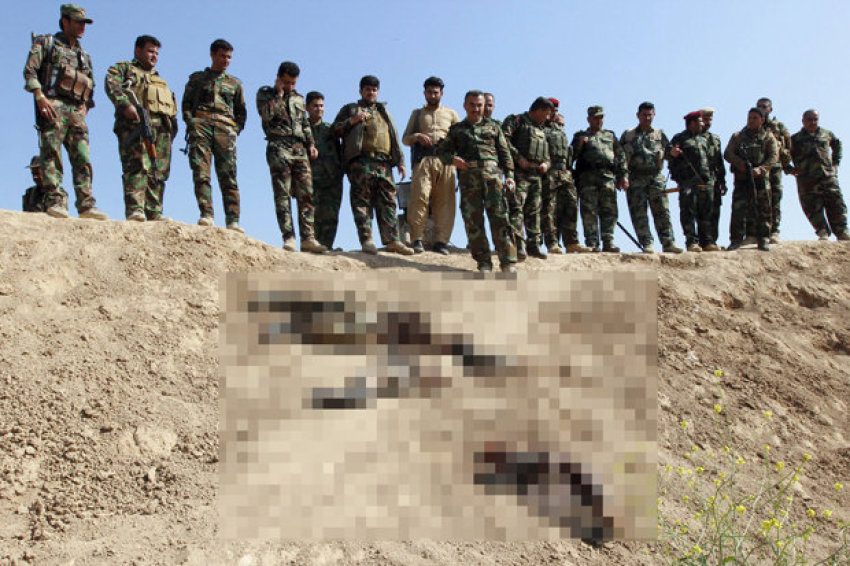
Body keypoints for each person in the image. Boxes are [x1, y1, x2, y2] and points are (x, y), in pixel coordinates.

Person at [23, 4, 107, 221]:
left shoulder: (83, 55)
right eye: (78, 22)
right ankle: (55, 200)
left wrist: (86, 106)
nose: (82, 27)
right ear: (65, 21)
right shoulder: (46, 43)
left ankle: (86, 204)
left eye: (84, 23)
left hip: (75, 110)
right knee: (51, 154)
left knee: (82, 157)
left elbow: (91, 85)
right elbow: (30, 71)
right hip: (53, 105)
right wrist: (40, 97)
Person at [331, 75, 413, 255]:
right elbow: (334, 130)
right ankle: (367, 239)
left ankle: (392, 240)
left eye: (374, 90)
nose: (371, 92)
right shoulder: (351, 109)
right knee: (362, 201)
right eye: (367, 89)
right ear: (361, 91)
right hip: (361, 162)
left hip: (384, 163)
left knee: (388, 201)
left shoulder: (384, 112)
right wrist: (352, 121)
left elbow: (393, 136)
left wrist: (400, 161)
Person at [438, 90, 517, 272]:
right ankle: (483, 262)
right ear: (465, 106)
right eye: (472, 105)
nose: (476, 109)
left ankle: (508, 262)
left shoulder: (494, 127)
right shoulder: (457, 130)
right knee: (473, 222)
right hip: (469, 179)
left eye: (479, 105)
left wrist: (510, 176)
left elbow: (505, 154)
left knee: (500, 219)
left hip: (493, 178)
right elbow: (442, 152)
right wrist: (453, 160)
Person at [104, 35, 177, 222]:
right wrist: (124, 105)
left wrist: (171, 130)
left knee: (158, 170)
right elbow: (111, 84)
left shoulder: (159, 80)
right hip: (134, 126)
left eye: (156, 53)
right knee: (136, 166)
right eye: (150, 51)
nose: (154, 56)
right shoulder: (125, 69)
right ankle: (135, 209)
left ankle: (154, 211)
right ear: (138, 50)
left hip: (161, 131)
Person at [256, 62, 327, 253]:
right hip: (278, 146)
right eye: (286, 82)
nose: (290, 86)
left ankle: (308, 238)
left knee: (306, 194)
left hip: (299, 149)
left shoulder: (298, 99)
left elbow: (304, 124)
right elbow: (266, 115)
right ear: (279, 78)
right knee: (283, 194)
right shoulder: (265, 94)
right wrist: (279, 95)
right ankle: (288, 237)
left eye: (293, 83)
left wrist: (311, 144)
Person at [182, 38, 247, 232]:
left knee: (229, 175)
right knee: (201, 171)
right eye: (222, 56)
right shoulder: (197, 79)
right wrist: (192, 123)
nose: (226, 60)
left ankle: (233, 220)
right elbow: (186, 104)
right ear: (212, 54)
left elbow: (241, 112)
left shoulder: (235, 84)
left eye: (229, 57)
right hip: (201, 125)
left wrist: (234, 130)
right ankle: (207, 213)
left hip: (225, 129)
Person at [402, 76, 460, 255]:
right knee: (419, 198)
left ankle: (441, 242)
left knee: (445, 202)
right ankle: (417, 238)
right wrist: (417, 136)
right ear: (424, 93)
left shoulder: (451, 114)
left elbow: (461, 138)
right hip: (423, 160)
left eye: (436, 92)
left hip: (445, 161)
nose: (433, 95)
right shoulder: (417, 114)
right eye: (429, 92)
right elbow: (405, 139)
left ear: (441, 93)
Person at [620, 102, 681, 253]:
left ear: (654, 115)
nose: (647, 118)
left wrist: (672, 153)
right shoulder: (629, 134)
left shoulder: (659, 134)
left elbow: (668, 152)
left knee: (662, 212)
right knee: (639, 213)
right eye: (644, 115)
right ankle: (647, 243)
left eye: (650, 115)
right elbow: (620, 158)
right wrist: (622, 177)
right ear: (638, 115)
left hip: (655, 177)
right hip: (635, 177)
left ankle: (668, 243)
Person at [502, 97, 554, 259]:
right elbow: (503, 140)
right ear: (537, 110)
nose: (547, 117)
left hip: (536, 175)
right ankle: (518, 245)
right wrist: (518, 158)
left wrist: (546, 164)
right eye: (545, 113)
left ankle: (534, 245)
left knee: (534, 211)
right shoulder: (517, 120)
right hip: (519, 173)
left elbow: (548, 154)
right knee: (516, 208)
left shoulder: (542, 129)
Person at [571, 106, 628, 252]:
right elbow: (570, 157)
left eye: (601, 117)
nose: (598, 120)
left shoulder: (610, 136)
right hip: (587, 178)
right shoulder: (580, 136)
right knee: (589, 211)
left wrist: (623, 176)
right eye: (595, 118)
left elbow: (621, 156)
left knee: (609, 210)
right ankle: (592, 242)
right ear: (589, 119)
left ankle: (608, 241)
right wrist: (579, 145)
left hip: (607, 177)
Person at [789, 109, 850, 241]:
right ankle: (822, 231)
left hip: (827, 175)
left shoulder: (826, 134)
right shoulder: (795, 139)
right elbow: (782, 153)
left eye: (815, 119)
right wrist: (789, 169)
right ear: (803, 121)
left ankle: (842, 231)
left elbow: (837, 145)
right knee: (811, 207)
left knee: (836, 203)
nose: (813, 122)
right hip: (807, 179)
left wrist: (836, 163)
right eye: (809, 119)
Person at [724, 107, 778, 251]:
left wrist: (761, 169)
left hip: (761, 180)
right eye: (749, 118)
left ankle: (763, 239)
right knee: (738, 210)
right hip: (742, 179)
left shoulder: (768, 137)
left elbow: (773, 156)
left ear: (762, 120)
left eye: (755, 118)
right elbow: (728, 153)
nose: (751, 121)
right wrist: (739, 164)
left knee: (764, 208)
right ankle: (736, 240)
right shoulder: (738, 136)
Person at [543, 100, 590, 253]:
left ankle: (571, 241)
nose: (553, 113)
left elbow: (567, 154)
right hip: (549, 172)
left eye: (555, 110)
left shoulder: (559, 130)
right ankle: (552, 243)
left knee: (571, 206)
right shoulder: (539, 128)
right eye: (551, 110)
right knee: (550, 209)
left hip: (565, 172)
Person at [668, 111, 716, 252]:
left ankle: (707, 241)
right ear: (692, 123)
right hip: (688, 181)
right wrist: (677, 178)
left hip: (705, 181)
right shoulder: (679, 138)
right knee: (688, 212)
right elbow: (670, 158)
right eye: (700, 122)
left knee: (706, 212)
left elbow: (711, 159)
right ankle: (691, 242)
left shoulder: (704, 139)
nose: (703, 124)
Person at [306, 91, 344, 250]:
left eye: (321, 106)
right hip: (309, 178)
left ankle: (326, 246)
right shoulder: (302, 129)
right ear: (307, 108)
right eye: (315, 106)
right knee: (310, 214)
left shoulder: (330, 130)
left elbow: (341, 151)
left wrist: (340, 172)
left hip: (332, 178)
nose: (319, 109)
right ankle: (310, 245)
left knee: (331, 215)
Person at [756, 98, 792, 243]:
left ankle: (774, 231)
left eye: (764, 107)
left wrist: (787, 164)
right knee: (758, 199)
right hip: (759, 168)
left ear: (770, 109)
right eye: (759, 106)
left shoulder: (778, 126)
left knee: (775, 198)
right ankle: (757, 233)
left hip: (775, 167)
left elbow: (788, 146)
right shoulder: (754, 124)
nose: (762, 108)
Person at [700, 108, 728, 246]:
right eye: (705, 119)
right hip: (698, 181)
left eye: (710, 119)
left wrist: (722, 181)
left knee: (714, 212)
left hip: (714, 181)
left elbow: (719, 162)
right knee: (701, 212)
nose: (708, 122)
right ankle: (701, 242)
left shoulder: (715, 139)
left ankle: (712, 241)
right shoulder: (690, 138)